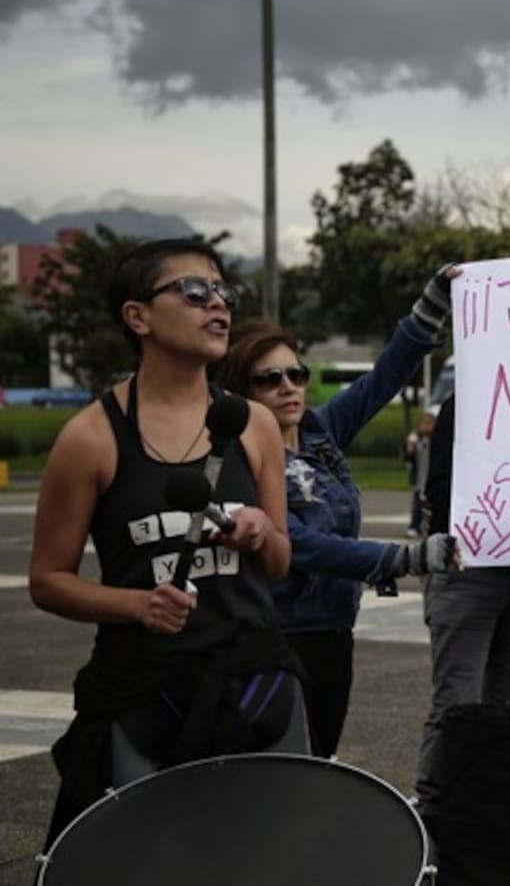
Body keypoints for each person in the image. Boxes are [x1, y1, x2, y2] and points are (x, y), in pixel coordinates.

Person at [29, 238, 295, 846]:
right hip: (144, 691)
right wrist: (137, 605)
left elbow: (280, 562)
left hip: (257, 682)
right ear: (137, 316)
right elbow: (47, 579)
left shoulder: (251, 423)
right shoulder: (90, 437)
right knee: (141, 861)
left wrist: (261, 533)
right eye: (194, 291)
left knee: (271, 858)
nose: (218, 305)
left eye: (224, 291)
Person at [217, 267, 459, 758]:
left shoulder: (319, 431)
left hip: (333, 632)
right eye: (269, 379)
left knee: (320, 762)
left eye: (296, 374)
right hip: (276, 638)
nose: (288, 387)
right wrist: (402, 558)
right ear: (241, 391)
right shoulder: (238, 457)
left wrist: (430, 308)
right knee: (276, 771)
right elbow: (299, 542)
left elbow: (383, 379)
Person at [415, 391, 510, 821]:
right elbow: (439, 490)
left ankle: (496, 809)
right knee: (457, 708)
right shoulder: (467, 402)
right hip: (469, 572)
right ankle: (434, 816)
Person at [405, 410, 437, 536]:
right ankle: (414, 526)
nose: (427, 426)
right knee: (417, 505)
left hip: (431, 479)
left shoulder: (436, 441)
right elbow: (408, 456)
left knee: (431, 506)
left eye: (430, 423)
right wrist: (409, 447)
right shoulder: (416, 440)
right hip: (419, 479)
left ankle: (428, 527)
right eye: (424, 423)